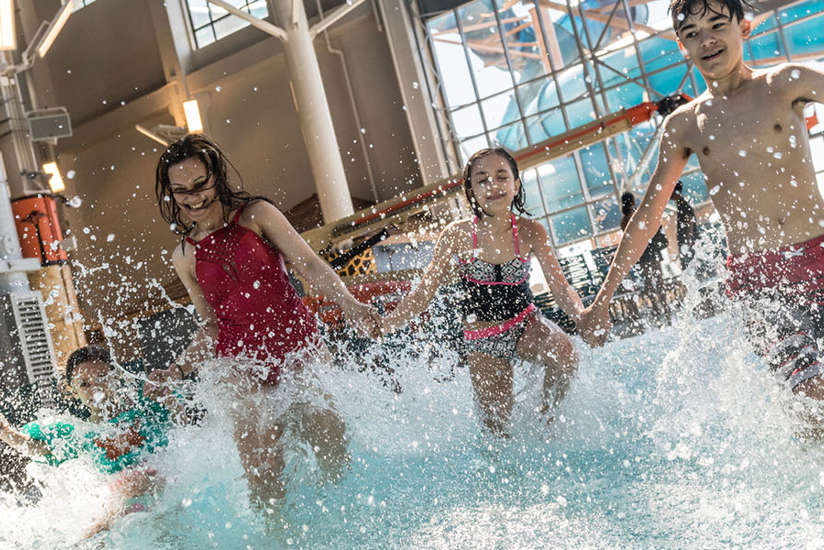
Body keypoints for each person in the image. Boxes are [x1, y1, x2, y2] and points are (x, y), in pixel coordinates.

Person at [578, 0, 824, 402]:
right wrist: (602, 299)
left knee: (808, 416)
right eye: (692, 34)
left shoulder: (785, 82)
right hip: (757, 282)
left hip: (819, 253)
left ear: (742, 28)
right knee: (810, 391)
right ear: (682, 47)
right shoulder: (685, 125)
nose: (706, 40)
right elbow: (648, 215)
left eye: (715, 26)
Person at [148, 134, 376, 512]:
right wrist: (177, 369)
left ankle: (346, 524)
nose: (194, 197)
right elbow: (212, 326)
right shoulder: (185, 255)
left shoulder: (256, 216)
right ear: (171, 194)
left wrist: (349, 305)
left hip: (297, 344)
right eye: (182, 190)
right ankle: (276, 533)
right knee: (263, 472)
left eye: (200, 184)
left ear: (216, 177)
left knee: (330, 451)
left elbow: (309, 266)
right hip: (242, 363)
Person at [379, 147, 583, 435]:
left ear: (516, 185)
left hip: (525, 324)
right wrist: (387, 325)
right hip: (483, 338)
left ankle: (546, 424)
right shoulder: (457, 235)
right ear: (471, 191)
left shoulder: (531, 231)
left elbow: (560, 287)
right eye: (482, 180)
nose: (493, 186)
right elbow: (424, 291)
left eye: (502, 177)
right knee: (497, 431)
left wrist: (582, 314)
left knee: (566, 355)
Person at [0, 346, 177, 534]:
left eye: (101, 378)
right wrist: (6, 432)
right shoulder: (79, 434)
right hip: (121, 513)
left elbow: (183, 423)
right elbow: (41, 448)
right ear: (72, 390)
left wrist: (169, 398)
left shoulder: (144, 411)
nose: (95, 388)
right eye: (84, 384)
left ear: (116, 378)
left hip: (164, 498)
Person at [621, 191, 671, 322]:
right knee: (659, 281)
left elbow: (630, 239)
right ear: (632, 201)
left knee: (648, 282)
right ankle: (665, 308)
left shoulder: (624, 221)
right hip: (651, 250)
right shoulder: (638, 214)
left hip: (641, 253)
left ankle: (655, 308)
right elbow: (649, 229)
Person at [671, 180, 698, 269]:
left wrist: (688, 244)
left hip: (689, 245)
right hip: (687, 244)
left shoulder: (684, 205)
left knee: (690, 269)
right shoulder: (681, 204)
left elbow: (689, 224)